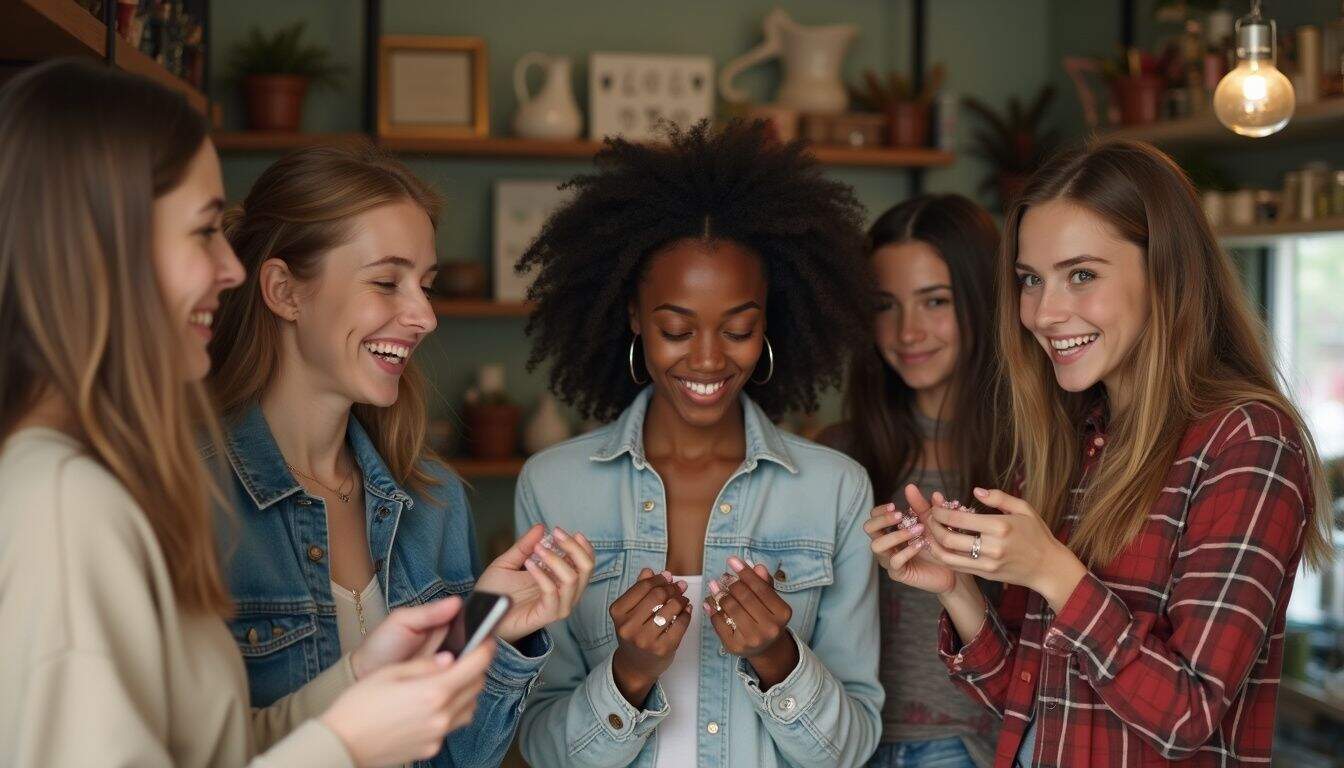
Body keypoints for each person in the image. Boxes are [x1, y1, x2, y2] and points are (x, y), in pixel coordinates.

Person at [0, 58, 492, 768]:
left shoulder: (103, 480)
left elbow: (211, 752)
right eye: (203, 233)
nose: (229, 269)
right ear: (103, 247)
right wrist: (345, 746)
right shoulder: (64, 499)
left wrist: (355, 683)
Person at [869, 139, 1334, 766]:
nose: (1044, 312)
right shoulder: (1071, 438)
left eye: (1081, 275)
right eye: (1031, 280)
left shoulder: (1246, 442)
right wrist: (956, 589)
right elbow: (1021, 699)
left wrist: (1052, 571)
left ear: (1166, 269)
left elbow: (1186, 717)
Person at [207, 142, 596, 767]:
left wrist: (488, 626)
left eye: (426, 285)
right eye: (387, 282)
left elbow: (454, 758)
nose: (425, 316)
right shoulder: (190, 499)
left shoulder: (432, 499)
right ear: (284, 291)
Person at [513, 120, 883, 767]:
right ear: (634, 316)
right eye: (677, 329)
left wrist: (778, 658)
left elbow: (851, 751)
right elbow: (541, 747)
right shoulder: (553, 487)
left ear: (769, 320)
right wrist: (628, 674)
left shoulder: (836, 491)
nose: (709, 360)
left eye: (738, 328)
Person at [819, 194, 1004, 768]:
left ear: (981, 302)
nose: (908, 331)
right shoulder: (838, 455)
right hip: (844, 743)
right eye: (885, 305)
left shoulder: (1032, 456)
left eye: (936, 301)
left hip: (970, 745)